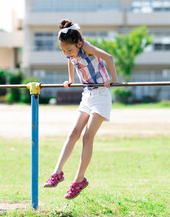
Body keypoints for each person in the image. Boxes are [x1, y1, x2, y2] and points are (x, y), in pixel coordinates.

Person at [43, 19, 119, 199]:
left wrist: (113, 80)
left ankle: (79, 180)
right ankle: (57, 172)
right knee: (73, 133)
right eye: (63, 51)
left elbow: (109, 58)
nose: (67, 54)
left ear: (78, 43)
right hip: (88, 94)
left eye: (69, 50)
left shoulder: (86, 47)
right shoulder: (71, 53)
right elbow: (71, 61)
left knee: (87, 136)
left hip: (101, 95)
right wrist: (70, 79)